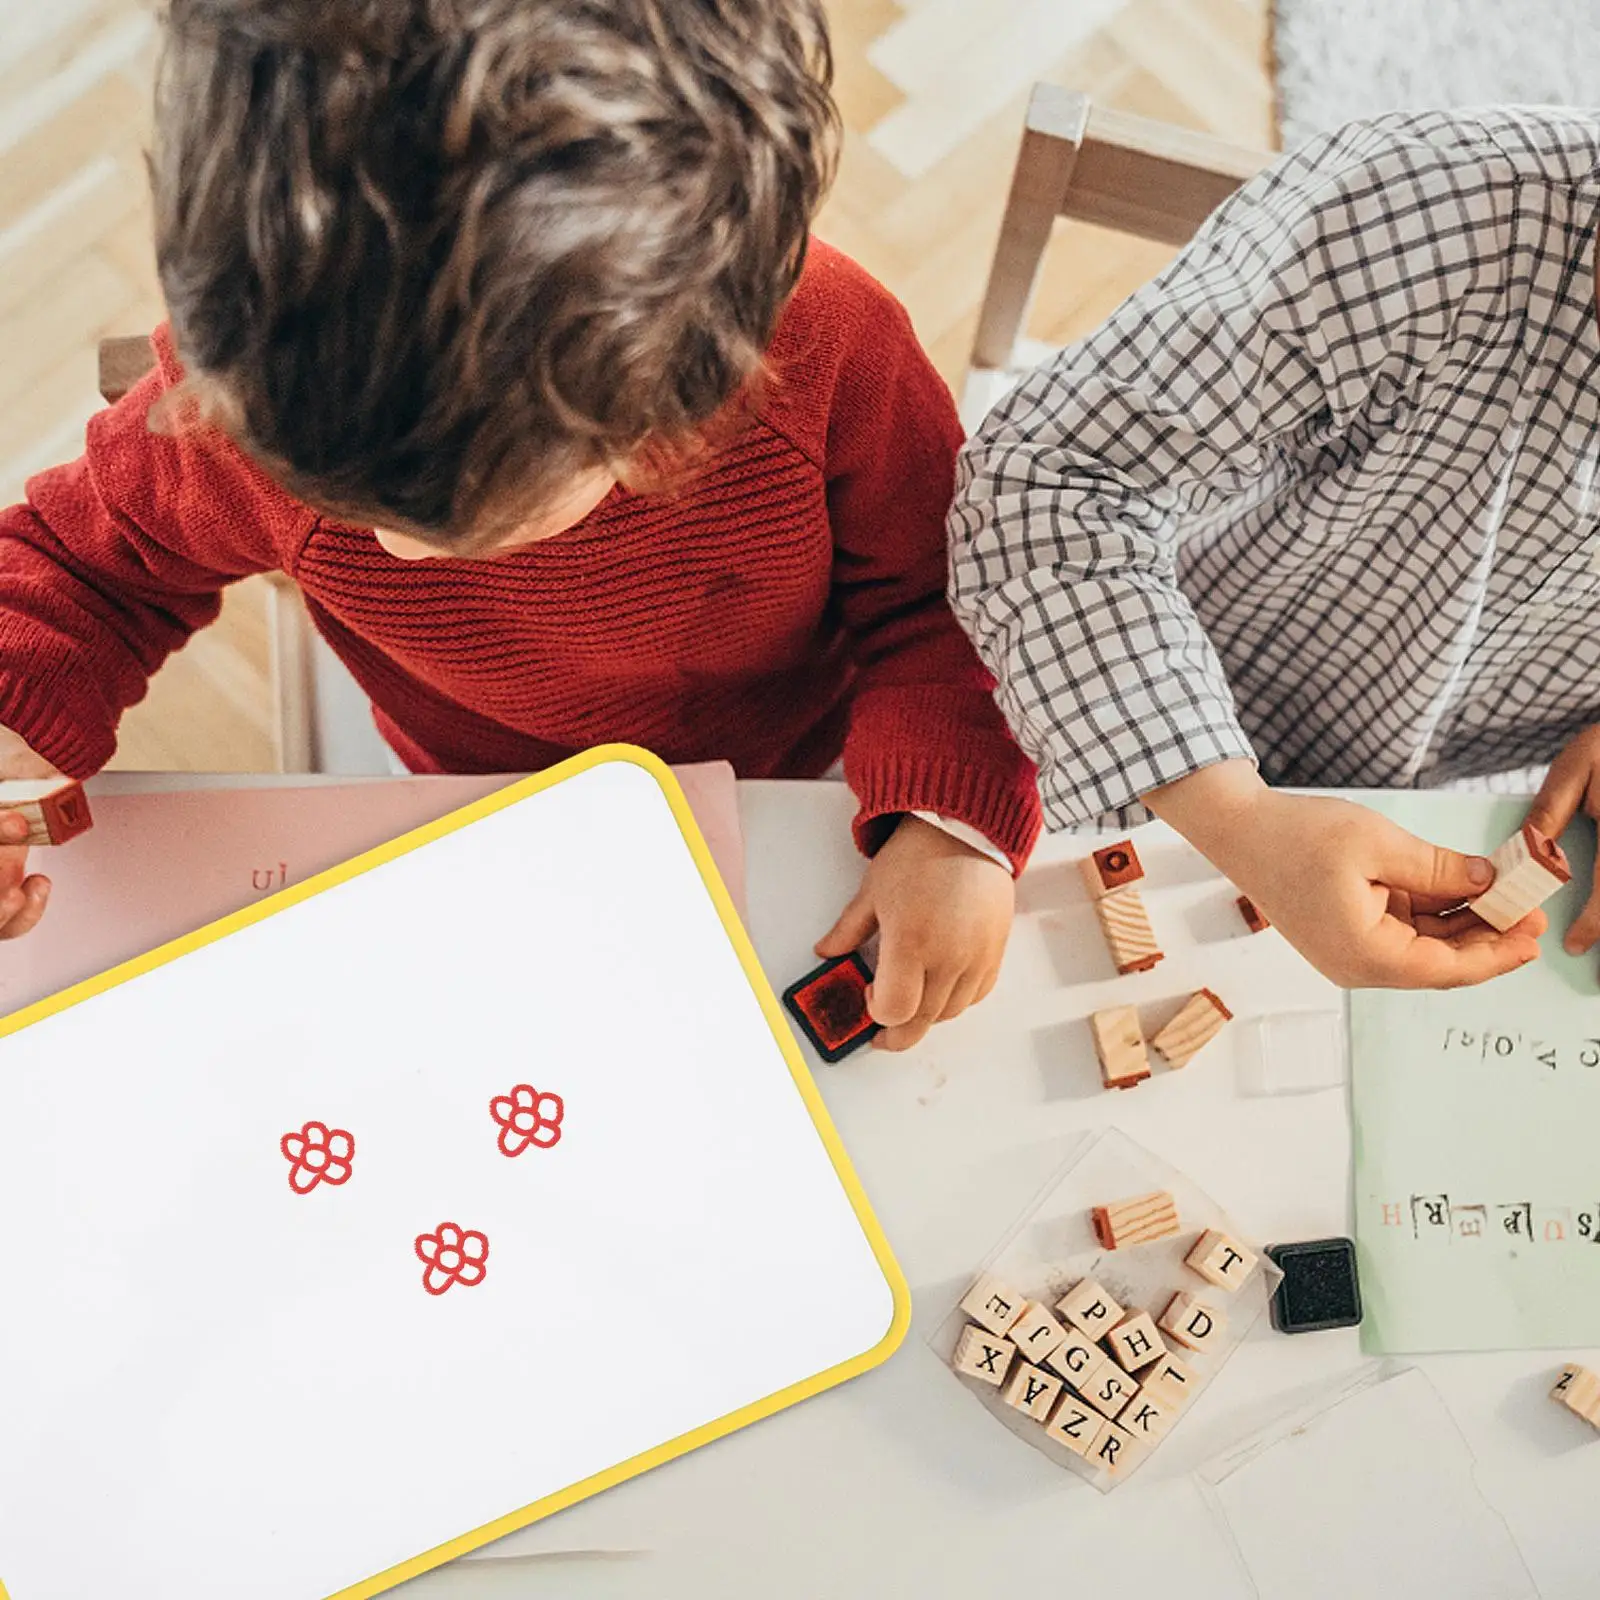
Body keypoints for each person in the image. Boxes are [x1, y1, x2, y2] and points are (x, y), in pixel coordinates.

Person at [0, 0, 1042, 1050]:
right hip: (472, 777)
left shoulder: (832, 356)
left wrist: (950, 822)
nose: (390, 554)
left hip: (792, 765)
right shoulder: (260, 382)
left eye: (456, 525)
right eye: (336, 503)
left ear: (665, 410)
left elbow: (948, 597)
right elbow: (83, 572)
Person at [947, 107, 1600, 989]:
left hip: (1480, 809)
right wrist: (1239, 816)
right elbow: (1050, 478)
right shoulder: (1438, 207)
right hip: (1139, 691)